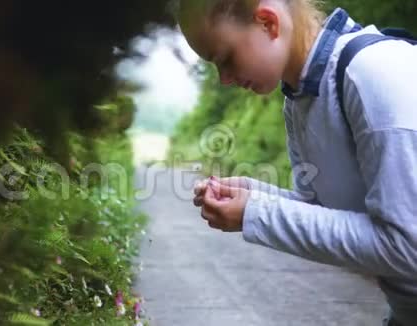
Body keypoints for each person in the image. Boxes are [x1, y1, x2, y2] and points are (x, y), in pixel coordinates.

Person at [177, 0, 417, 325]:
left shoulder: (372, 74)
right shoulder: (300, 99)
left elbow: (406, 248)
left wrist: (255, 212)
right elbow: (319, 210)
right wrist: (253, 195)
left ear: (268, 23)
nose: (224, 79)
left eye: (226, 59)